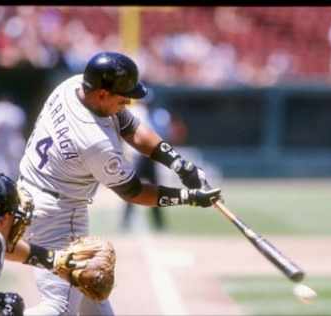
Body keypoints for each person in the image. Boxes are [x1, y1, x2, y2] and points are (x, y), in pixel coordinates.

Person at [17, 51, 221, 315]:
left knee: (93, 293)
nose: (128, 102)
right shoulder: (95, 142)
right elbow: (134, 192)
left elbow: (131, 128)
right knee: (60, 307)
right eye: (123, 97)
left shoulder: (73, 86)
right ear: (102, 94)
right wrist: (189, 197)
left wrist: (180, 164)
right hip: (57, 214)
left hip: (33, 194)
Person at [0, 173, 103, 316]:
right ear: (4, 219)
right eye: (15, 214)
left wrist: (53, 259)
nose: (19, 220)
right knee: (6, 309)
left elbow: (5, 249)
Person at [120, 88, 166, 231]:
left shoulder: (154, 114)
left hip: (149, 157)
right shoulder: (135, 111)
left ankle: (158, 222)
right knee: (133, 189)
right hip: (137, 156)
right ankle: (126, 220)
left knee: (155, 188)